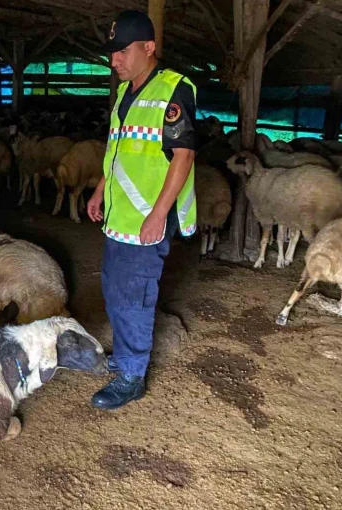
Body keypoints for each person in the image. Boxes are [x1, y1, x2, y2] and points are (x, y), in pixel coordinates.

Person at [87, 10, 197, 410]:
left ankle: (132, 377)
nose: (114, 60)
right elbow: (118, 150)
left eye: (122, 51)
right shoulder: (123, 94)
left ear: (148, 48)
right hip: (119, 216)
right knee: (114, 288)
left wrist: (157, 215)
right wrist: (100, 190)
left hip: (147, 218)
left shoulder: (174, 91)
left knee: (135, 294)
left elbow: (183, 157)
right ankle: (125, 356)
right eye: (111, 53)